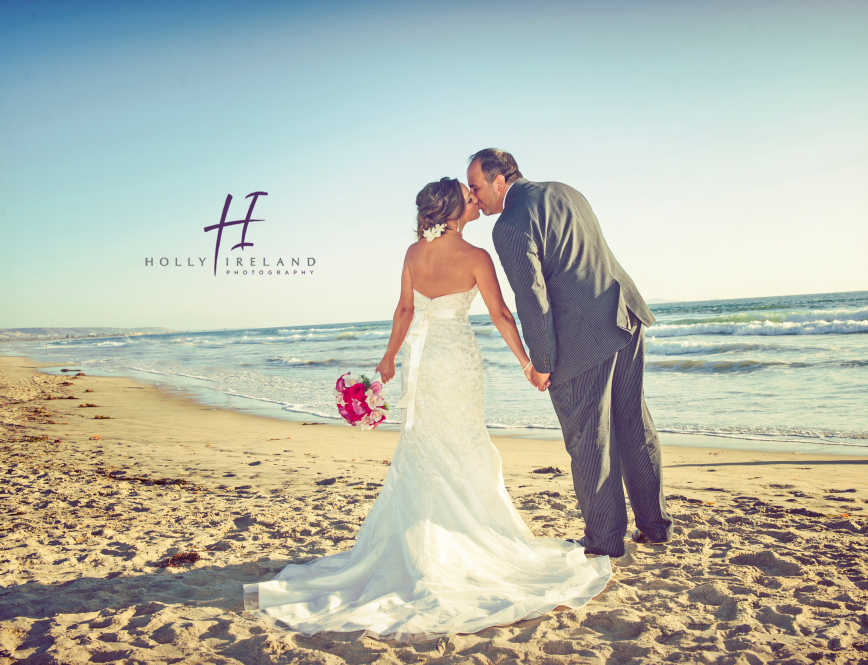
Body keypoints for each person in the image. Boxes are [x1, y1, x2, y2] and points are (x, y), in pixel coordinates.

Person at [243, 177, 612, 641]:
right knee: (463, 442)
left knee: (423, 444)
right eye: (469, 194)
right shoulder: (477, 257)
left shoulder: (413, 254)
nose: (475, 197)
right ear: (456, 210)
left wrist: (388, 358)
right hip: (455, 360)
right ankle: (455, 542)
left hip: (422, 359)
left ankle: (421, 544)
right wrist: (529, 363)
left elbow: (403, 310)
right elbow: (501, 314)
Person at [467, 148, 673, 558]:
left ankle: (605, 542)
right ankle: (655, 527)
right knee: (635, 423)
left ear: (499, 181)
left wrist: (540, 363)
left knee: (589, 440)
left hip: (582, 340)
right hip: (623, 314)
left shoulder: (509, 223)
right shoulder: (566, 191)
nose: (475, 197)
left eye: (477, 187)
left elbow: (532, 298)